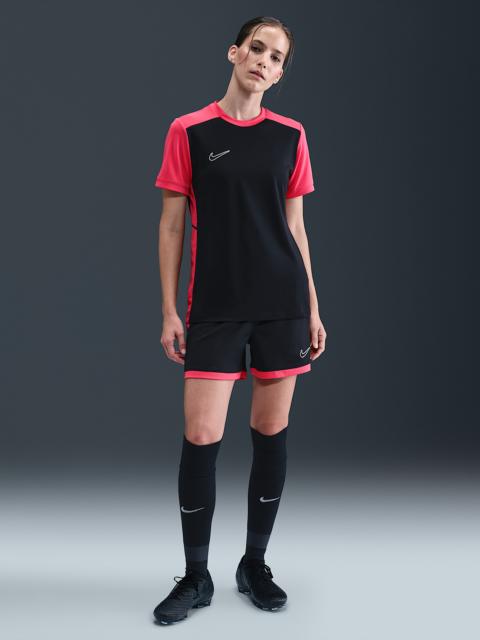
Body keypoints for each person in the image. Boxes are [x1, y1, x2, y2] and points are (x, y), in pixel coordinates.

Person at [152, 16, 327, 625]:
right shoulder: (189, 130)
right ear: (234, 53)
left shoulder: (291, 136)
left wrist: (312, 306)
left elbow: (297, 229)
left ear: (279, 75)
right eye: (257, 48)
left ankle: (254, 565)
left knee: (270, 433)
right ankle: (195, 576)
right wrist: (170, 309)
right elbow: (171, 225)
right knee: (202, 435)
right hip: (216, 307)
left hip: (281, 305)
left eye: (276, 58)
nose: (264, 61)